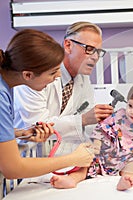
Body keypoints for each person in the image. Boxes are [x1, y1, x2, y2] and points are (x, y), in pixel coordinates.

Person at [0, 29, 95, 179]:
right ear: (28, 75)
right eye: (52, 73)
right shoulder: (1, 95)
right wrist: (73, 159)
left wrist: (18, 133)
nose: (58, 77)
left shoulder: (6, 84)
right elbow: (13, 169)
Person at [14, 22, 114, 155]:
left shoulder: (83, 79)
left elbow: (89, 123)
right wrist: (83, 119)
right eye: (89, 49)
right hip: (25, 153)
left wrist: (103, 136)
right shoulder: (37, 73)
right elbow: (37, 125)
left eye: (98, 52)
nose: (95, 57)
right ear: (68, 45)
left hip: (58, 153)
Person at [50, 82, 133, 191]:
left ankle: (127, 180)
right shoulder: (118, 116)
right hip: (107, 157)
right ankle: (72, 179)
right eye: (130, 105)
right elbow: (101, 129)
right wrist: (96, 145)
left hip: (130, 159)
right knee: (86, 162)